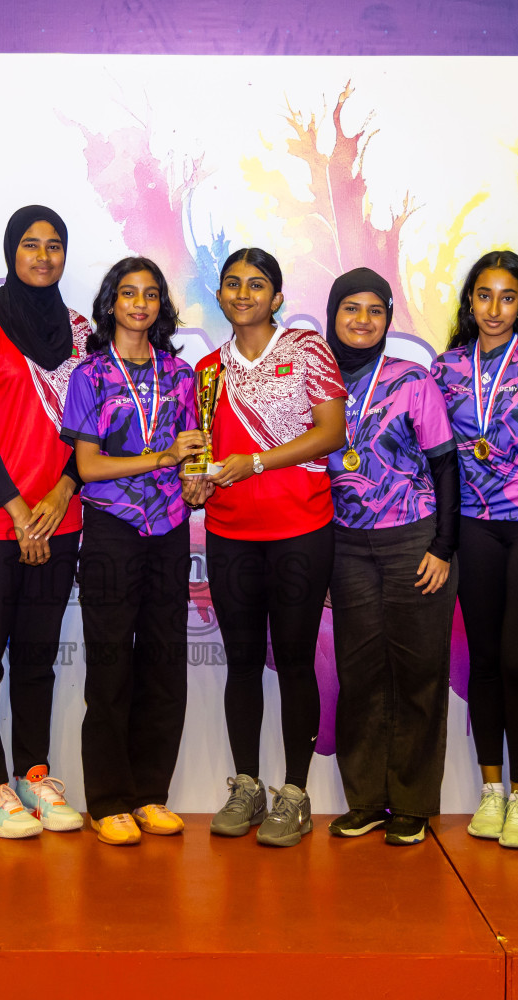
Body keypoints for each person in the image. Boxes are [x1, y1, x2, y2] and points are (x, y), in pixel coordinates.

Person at [190, 248, 347, 848]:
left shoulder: (308, 351)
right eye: (232, 284)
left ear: (277, 296)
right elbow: (207, 458)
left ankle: (296, 793)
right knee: (242, 664)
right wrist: (202, 480)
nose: (243, 294)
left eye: (257, 285)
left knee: (297, 661)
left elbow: (331, 432)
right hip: (230, 535)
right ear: (221, 295)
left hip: (302, 529)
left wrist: (253, 462)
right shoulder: (207, 370)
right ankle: (248, 785)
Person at [0, 205, 89, 838]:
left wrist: (62, 492)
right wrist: (16, 513)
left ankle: (34, 777)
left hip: (59, 516)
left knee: (37, 658)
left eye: (54, 245)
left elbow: (91, 429)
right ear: (11, 251)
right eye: (30, 245)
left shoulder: (83, 331)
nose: (42, 256)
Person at [61, 257, 206, 846]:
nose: (140, 304)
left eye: (150, 295)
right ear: (111, 304)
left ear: (161, 307)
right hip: (113, 530)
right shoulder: (89, 375)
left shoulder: (182, 374)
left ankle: (150, 794)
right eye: (128, 294)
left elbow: (193, 455)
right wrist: (163, 458)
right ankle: (108, 800)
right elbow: (88, 467)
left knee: (166, 665)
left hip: (170, 528)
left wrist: (195, 479)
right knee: (112, 666)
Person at [432, 252, 518, 851]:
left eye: (507, 297)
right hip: (474, 524)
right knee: (485, 660)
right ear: (470, 303)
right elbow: (434, 456)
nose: (494, 309)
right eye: (483, 296)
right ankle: (491, 793)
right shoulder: (444, 369)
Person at [321, 268, 458, 847]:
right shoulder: (312, 379)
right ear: (332, 314)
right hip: (345, 544)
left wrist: (443, 547)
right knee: (359, 675)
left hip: (413, 539)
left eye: (375, 310)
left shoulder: (412, 380)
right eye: (350, 308)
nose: (361, 320)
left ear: (388, 320)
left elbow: (447, 465)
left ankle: (412, 803)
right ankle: (367, 800)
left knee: (418, 673)